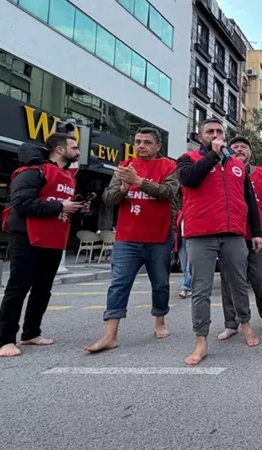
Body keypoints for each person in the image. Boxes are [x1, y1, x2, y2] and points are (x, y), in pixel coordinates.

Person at [177, 118, 262, 365]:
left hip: (233, 233)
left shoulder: (237, 165)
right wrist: (213, 157)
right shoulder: (187, 159)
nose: (215, 135)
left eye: (219, 131)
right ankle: (201, 339)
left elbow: (249, 200)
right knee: (201, 288)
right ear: (200, 136)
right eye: (210, 132)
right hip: (200, 233)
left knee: (239, 283)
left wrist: (256, 232)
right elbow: (189, 180)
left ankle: (245, 324)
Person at [85, 128, 178, 353]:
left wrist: (139, 181)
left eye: (147, 142)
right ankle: (110, 335)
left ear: (158, 146)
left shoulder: (169, 167)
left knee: (160, 283)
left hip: (159, 237)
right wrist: (124, 188)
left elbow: (168, 192)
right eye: (138, 141)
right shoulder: (124, 167)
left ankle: (159, 322)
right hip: (127, 238)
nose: (141, 146)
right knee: (119, 284)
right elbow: (108, 198)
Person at [0, 136, 83, 357]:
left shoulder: (67, 176)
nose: (78, 152)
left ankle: (31, 333)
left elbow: (58, 204)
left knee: (43, 289)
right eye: (74, 147)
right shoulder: (33, 172)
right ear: (60, 149)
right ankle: (5, 340)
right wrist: (60, 206)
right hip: (27, 236)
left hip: (52, 238)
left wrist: (75, 207)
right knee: (18, 287)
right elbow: (22, 203)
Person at [217, 137, 262, 341]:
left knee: (261, 277)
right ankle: (231, 323)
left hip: (256, 236)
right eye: (235, 147)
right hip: (230, 234)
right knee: (229, 281)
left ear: (250, 152)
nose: (239, 149)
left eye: (244, 147)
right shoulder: (221, 170)